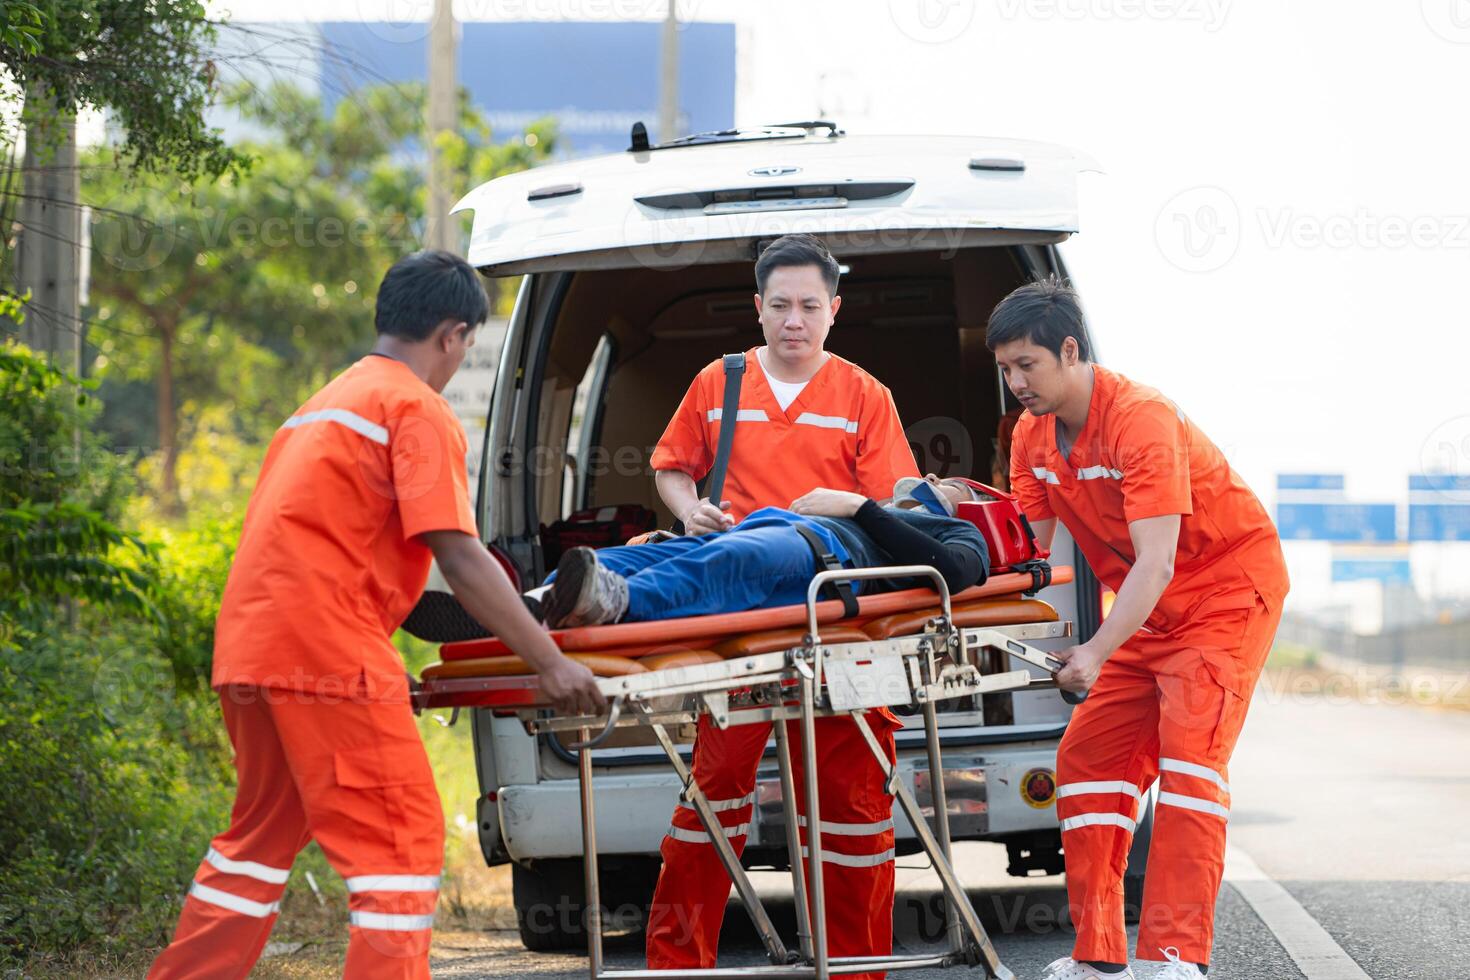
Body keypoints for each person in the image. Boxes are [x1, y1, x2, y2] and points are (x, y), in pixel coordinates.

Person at [148, 251, 605, 980]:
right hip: (326, 653)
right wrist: (549, 660)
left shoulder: (320, 407)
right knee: (401, 847)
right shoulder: (415, 407)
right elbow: (457, 558)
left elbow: (338, 548)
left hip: (251, 651)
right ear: (455, 336)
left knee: (256, 846)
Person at [989, 278, 1289, 980]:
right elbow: (1029, 553)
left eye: (1026, 365)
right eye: (1004, 369)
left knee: (1188, 767)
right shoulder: (1031, 438)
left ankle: (1175, 958)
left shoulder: (1141, 418)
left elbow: (1155, 563)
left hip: (1223, 593)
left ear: (1070, 350)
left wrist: (1094, 650)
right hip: (1148, 610)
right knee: (1087, 766)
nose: (1015, 384)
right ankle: (1100, 957)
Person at [643, 233, 921, 978]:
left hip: (838, 614)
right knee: (715, 795)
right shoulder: (720, 381)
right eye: (779, 305)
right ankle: (678, 963)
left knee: (852, 802)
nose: (793, 319)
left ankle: (860, 966)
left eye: (808, 306)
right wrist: (690, 507)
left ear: (834, 310)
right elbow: (670, 468)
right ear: (757, 308)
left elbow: (890, 508)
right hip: (743, 619)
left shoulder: (865, 395)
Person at [540, 476, 990, 628]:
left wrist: (860, 507)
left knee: (739, 562)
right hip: (773, 529)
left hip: (821, 557)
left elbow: (949, 571)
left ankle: (619, 603)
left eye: (952, 484)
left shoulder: (962, 535)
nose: (932, 480)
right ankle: (535, 604)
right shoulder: (881, 512)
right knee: (625, 559)